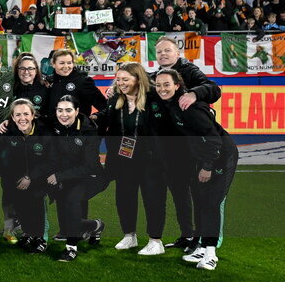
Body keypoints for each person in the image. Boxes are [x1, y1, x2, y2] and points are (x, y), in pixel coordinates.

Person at [153, 70, 238, 271]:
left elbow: (214, 140)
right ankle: (201, 247)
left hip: (221, 158)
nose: (162, 89)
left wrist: (208, 167)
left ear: (177, 85)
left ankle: (211, 254)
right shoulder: (171, 104)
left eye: (166, 84)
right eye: (158, 85)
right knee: (200, 200)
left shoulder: (189, 107)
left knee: (210, 202)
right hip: (202, 158)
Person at [147, 36, 222, 249]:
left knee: (199, 196)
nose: (162, 54)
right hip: (170, 148)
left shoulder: (189, 71)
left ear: (177, 53)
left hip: (193, 147)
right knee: (180, 193)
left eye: (167, 50)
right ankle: (187, 236)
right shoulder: (155, 77)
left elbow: (213, 89)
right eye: (159, 51)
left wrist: (193, 93)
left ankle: (202, 242)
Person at [95, 63, 166, 255]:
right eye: (118, 79)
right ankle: (129, 235)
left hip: (150, 159)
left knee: (153, 198)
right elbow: (106, 118)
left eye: (125, 79)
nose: (121, 83)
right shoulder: (115, 98)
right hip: (123, 157)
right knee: (124, 197)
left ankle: (155, 240)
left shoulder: (154, 98)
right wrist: (93, 119)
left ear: (138, 79)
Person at [44, 95, 107, 262]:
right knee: (67, 226)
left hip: (90, 177)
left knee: (72, 200)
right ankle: (96, 225)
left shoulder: (88, 130)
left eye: (68, 110)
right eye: (60, 110)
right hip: (66, 177)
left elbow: (90, 166)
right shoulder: (54, 124)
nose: (63, 114)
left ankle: (71, 249)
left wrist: (59, 176)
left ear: (77, 111)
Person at [0, 100, 50, 254]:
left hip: (37, 178)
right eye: (18, 115)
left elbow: (51, 160)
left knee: (37, 202)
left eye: (26, 114)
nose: (23, 118)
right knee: (20, 205)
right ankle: (28, 234)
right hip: (16, 180)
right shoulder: (7, 131)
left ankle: (41, 239)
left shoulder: (43, 132)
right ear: (12, 117)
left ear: (33, 115)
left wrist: (31, 177)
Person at [43, 49, 106, 125]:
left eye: (69, 63)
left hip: (78, 133)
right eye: (62, 63)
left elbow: (105, 106)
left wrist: (96, 117)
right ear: (53, 64)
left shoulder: (83, 81)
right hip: (53, 132)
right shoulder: (48, 82)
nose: (66, 66)